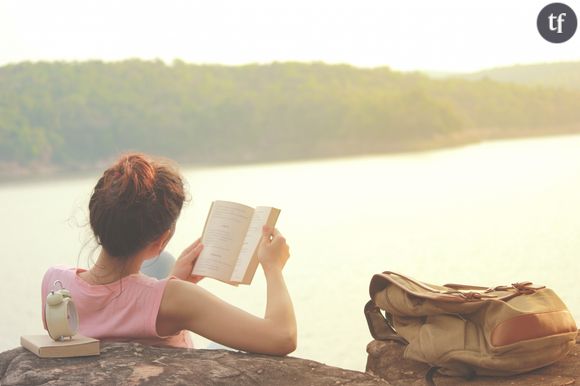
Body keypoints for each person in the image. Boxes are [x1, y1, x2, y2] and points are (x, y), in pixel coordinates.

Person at [41, 153, 297, 355]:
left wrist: (175, 281)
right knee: (223, 347)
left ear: (96, 220)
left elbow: (122, 310)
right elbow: (282, 337)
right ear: (162, 239)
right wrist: (272, 267)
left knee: (162, 265)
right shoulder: (176, 299)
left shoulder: (54, 281)